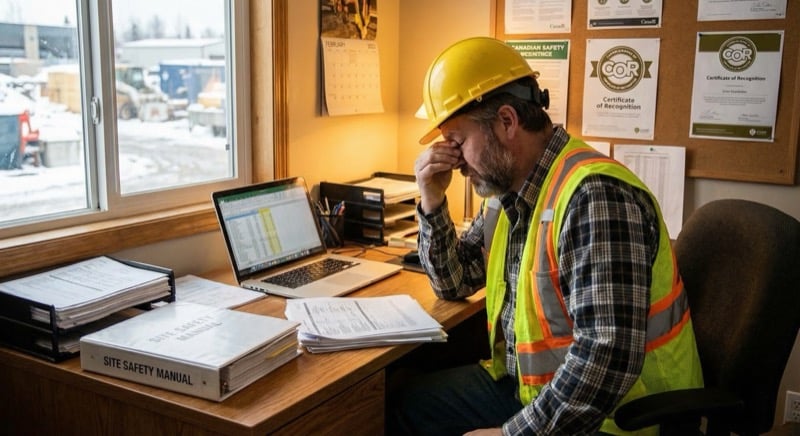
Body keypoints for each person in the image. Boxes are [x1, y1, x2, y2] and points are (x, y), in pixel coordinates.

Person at [387, 36, 704, 435]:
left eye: (458, 142)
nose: (456, 162)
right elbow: (454, 282)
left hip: (617, 417)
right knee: (408, 403)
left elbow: (606, 359)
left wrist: (511, 435)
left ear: (506, 122)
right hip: (537, 393)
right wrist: (432, 202)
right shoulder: (507, 194)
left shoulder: (593, 198)